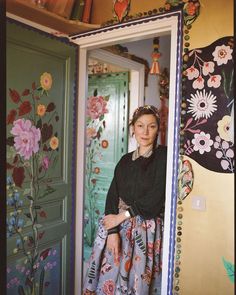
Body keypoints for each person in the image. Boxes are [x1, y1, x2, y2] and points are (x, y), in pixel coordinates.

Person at [83, 105, 167, 295]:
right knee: (108, 281)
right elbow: (112, 197)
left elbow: (155, 198)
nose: (145, 132)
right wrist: (112, 232)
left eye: (151, 126)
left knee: (136, 284)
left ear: (158, 129)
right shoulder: (125, 161)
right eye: (140, 126)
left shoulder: (163, 157)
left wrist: (121, 217)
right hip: (117, 229)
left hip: (145, 232)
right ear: (133, 129)